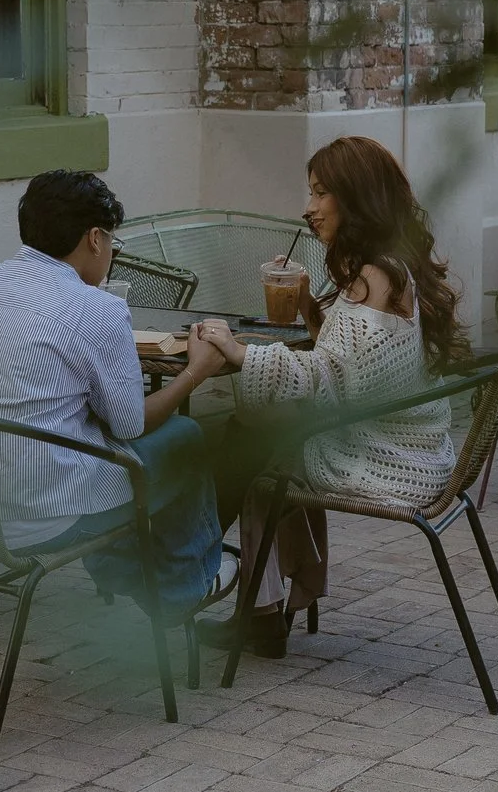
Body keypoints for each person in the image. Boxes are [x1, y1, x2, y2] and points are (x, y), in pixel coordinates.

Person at [190, 134, 469, 656]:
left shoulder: (372, 274)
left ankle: (191, 566)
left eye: (321, 194)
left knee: (249, 444)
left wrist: (238, 354)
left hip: (387, 457)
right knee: (259, 445)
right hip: (418, 446)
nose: (309, 208)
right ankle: (254, 606)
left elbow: (329, 379)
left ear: (356, 197)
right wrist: (307, 307)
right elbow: (358, 366)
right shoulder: (391, 264)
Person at [0, 169, 228, 616]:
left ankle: (128, 572)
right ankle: (182, 589)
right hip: (44, 516)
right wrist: (196, 371)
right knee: (184, 436)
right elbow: (131, 425)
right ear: (94, 238)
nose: (111, 252)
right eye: (112, 241)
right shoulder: (97, 307)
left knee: (92, 439)